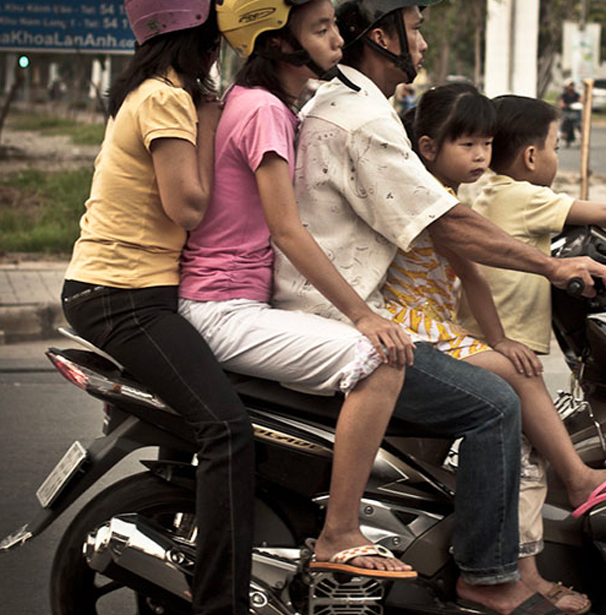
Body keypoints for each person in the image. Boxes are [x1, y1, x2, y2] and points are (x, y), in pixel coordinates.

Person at [273, 2, 606, 614]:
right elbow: (450, 226)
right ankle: (487, 577)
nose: (424, 43)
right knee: (496, 403)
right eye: (416, 29)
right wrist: (551, 266)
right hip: (342, 318)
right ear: (381, 37)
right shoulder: (361, 117)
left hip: (347, 307)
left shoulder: (355, 106)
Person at [386, 82, 606, 615]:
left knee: (455, 437)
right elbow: (484, 258)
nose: (480, 156)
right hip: (410, 325)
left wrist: (501, 337)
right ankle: (574, 483)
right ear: (428, 146)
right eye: (467, 145)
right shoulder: (434, 195)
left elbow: (473, 275)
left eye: (484, 144)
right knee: (521, 390)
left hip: (442, 326)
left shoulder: (461, 196)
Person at [178, 0, 415, 578]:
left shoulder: (255, 102)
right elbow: (288, 228)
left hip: (227, 302)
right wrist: (363, 316)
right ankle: (340, 531)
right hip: (222, 308)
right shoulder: (265, 111)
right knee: (380, 361)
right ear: (277, 44)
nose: (339, 39)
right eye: (322, 29)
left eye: (333, 25)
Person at [59, 2, 255, 613]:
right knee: (225, 429)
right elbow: (188, 207)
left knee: (200, 416)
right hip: (123, 296)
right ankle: (221, 602)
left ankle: (174, 540)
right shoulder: (167, 99)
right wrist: (212, 118)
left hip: (123, 290)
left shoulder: (148, 92)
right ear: (197, 42)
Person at [458, 92, 606, 364]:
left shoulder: (492, 192)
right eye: (555, 149)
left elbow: (584, 219)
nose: (556, 157)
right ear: (531, 157)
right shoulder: (526, 197)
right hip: (509, 337)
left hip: (483, 332)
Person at [558, 80, 581, 147]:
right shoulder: (564, 95)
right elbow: (562, 104)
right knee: (565, 126)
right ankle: (566, 140)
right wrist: (568, 106)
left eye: (572, 85)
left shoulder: (576, 95)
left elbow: (581, 101)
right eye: (570, 85)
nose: (571, 87)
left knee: (578, 127)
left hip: (575, 113)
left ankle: (579, 141)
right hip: (566, 113)